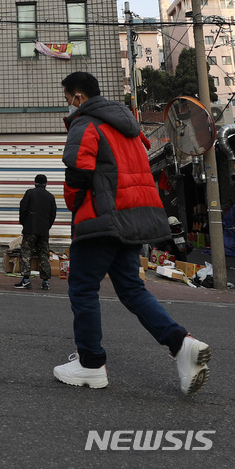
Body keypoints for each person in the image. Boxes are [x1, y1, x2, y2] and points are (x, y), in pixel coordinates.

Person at [53, 72, 210, 394]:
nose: (67, 104)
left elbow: (78, 173)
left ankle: (91, 364)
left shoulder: (86, 124)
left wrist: (75, 207)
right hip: (134, 219)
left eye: (67, 97)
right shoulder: (131, 129)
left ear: (78, 97)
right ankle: (181, 343)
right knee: (132, 290)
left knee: (83, 290)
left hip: (101, 220)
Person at [14, 174, 56, 291]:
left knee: (26, 253)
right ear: (46, 184)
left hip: (30, 229)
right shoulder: (50, 197)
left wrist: (24, 223)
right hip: (43, 230)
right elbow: (53, 214)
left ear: (35, 183)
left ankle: (26, 280)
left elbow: (23, 208)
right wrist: (47, 226)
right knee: (44, 255)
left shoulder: (30, 193)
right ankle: (45, 282)